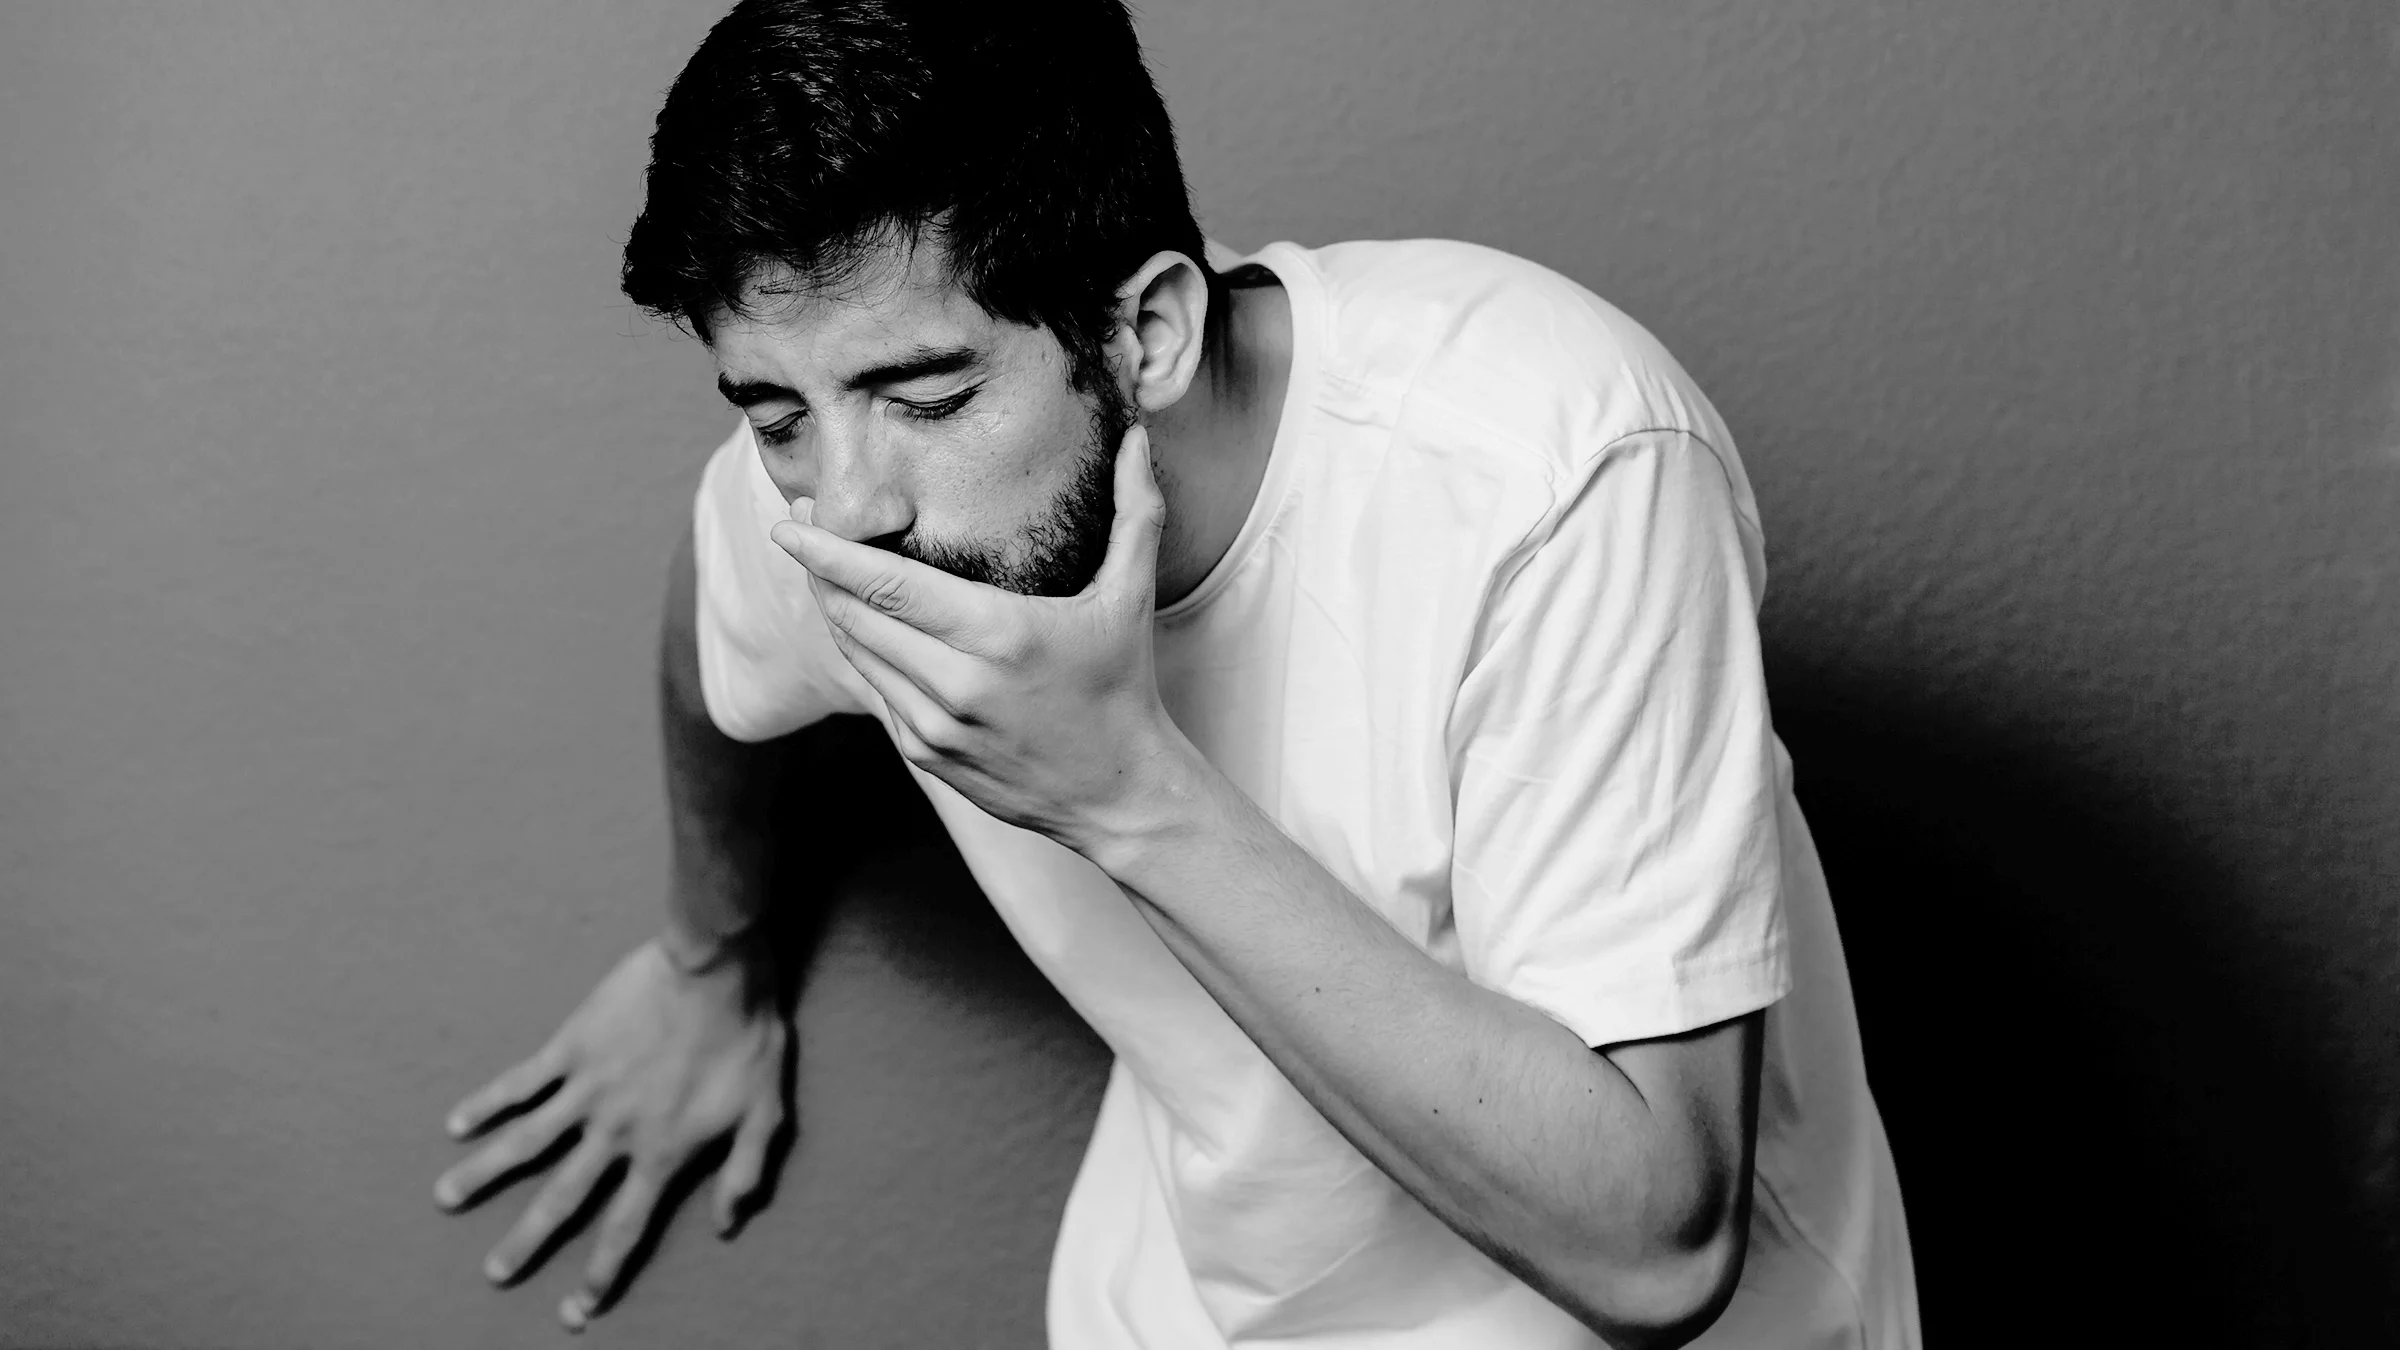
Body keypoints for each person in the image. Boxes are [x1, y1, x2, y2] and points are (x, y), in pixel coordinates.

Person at [433, 2, 1918, 1345]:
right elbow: (719, 604)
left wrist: (1124, 792)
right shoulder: (859, 491)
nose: (842, 508)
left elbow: (1657, 1247)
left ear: (1147, 330)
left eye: (932, 395)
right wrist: (709, 958)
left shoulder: (1554, 469)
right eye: (773, 416)